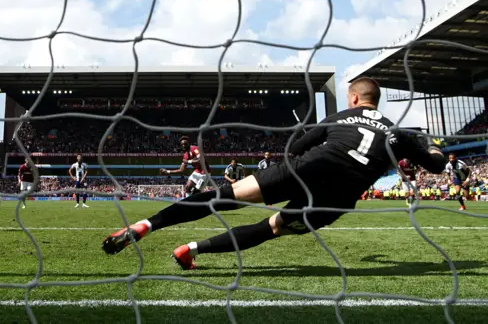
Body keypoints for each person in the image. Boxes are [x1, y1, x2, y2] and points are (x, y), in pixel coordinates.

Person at [101, 78, 447, 270]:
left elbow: (295, 148)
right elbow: (437, 163)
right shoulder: (396, 133)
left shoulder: (339, 118)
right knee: (271, 228)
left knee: (222, 198)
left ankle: (146, 225)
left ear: (354, 97)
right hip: (338, 194)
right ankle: (190, 250)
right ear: (377, 101)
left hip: (309, 166)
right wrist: (429, 147)